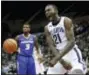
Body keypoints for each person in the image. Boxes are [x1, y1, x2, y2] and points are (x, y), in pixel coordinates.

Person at [44, 4, 87, 74]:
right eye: (45, 11)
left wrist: (57, 58)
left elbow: (71, 42)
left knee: (77, 72)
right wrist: (61, 61)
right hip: (59, 56)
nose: (47, 12)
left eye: (49, 10)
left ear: (56, 10)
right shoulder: (47, 28)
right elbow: (51, 45)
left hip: (72, 53)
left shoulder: (65, 20)